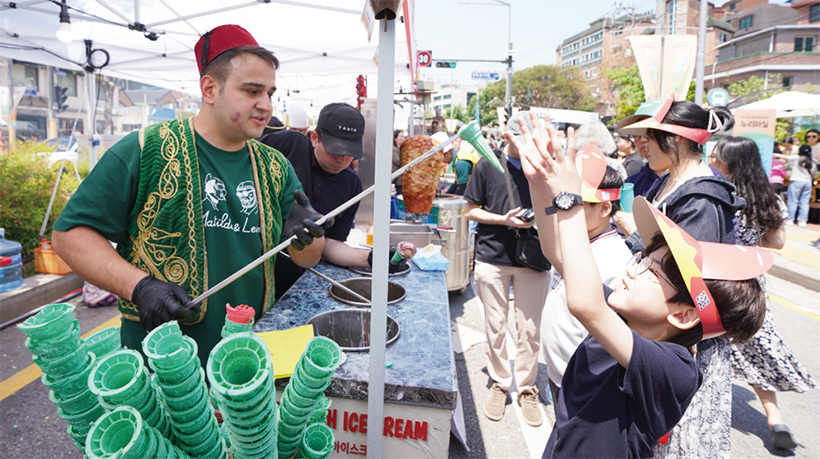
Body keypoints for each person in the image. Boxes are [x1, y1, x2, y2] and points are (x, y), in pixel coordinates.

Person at [51, 24, 327, 365]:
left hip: (250, 360)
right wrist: (139, 287)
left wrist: (310, 233)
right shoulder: (146, 148)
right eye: (252, 91)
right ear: (210, 89)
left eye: (270, 93)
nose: (265, 105)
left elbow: (308, 258)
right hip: (163, 362)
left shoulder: (275, 166)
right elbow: (68, 236)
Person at [513, 114, 769, 458]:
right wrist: (538, 183)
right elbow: (557, 253)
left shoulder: (675, 368)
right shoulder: (623, 318)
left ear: (683, 314)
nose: (635, 268)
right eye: (645, 258)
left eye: (654, 270)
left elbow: (584, 304)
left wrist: (569, 198)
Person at [618, 96, 745, 458]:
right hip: (667, 330)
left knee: (675, 440)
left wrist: (633, 237)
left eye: (650, 137)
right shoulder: (674, 182)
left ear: (672, 140)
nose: (643, 146)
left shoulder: (701, 196)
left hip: (684, 339)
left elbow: (686, 277)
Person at [709, 136, 817, 450]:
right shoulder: (769, 198)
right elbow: (777, 243)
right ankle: (774, 416)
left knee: (706, 347)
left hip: (716, 282)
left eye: (717, 157)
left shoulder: (718, 194)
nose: (713, 161)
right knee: (755, 347)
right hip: (751, 286)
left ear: (729, 163)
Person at [463, 111, 551, 428]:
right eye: (521, 141)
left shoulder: (543, 166)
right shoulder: (487, 165)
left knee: (529, 329)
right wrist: (504, 219)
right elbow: (469, 210)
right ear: (509, 137)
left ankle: (527, 387)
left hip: (535, 259)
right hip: (492, 256)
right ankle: (500, 382)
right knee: (495, 326)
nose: (527, 147)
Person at [540, 160, 632, 409]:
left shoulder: (614, 259)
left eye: (575, 203)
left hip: (583, 383)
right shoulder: (577, 241)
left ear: (603, 209)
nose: (564, 209)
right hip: (560, 372)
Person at [776, 144, 817, 226]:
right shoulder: (813, 161)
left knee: (793, 201)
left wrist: (774, 154)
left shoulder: (796, 158)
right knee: (805, 202)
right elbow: (814, 173)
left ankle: (790, 219)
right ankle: (802, 220)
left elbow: (785, 157)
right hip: (807, 182)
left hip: (796, 181)